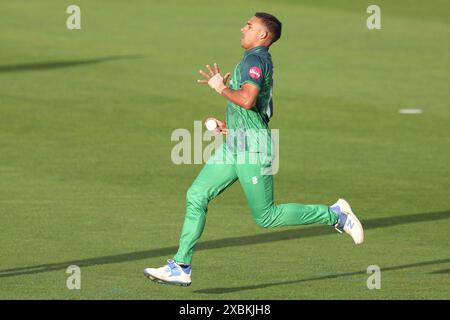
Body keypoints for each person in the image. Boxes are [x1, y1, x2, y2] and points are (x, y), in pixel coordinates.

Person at [144, 12, 364, 286]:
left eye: (249, 26)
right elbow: (256, 107)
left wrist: (220, 87)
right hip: (236, 142)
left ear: (262, 35)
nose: (242, 28)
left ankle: (336, 215)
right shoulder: (253, 59)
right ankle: (181, 265)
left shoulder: (255, 59)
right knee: (197, 194)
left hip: (253, 148)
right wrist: (231, 125)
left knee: (266, 217)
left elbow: (247, 100)